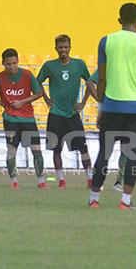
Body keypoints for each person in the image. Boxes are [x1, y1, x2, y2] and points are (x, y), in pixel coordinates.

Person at [89, 3, 136, 210]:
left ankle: (94, 199)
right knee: (133, 155)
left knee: (104, 154)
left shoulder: (106, 41)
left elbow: (101, 79)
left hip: (111, 106)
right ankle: (125, 202)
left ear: (119, 20)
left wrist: (101, 108)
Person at [0, 48, 46, 189]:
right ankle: (14, 182)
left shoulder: (27, 75)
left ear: (18, 61)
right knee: (11, 150)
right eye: (8, 64)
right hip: (10, 119)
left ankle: (41, 181)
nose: (11, 66)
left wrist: (23, 101)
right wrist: (0, 102)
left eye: (14, 63)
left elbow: (39, 93)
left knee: (36, 150)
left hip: (28, 119)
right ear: (3, 63)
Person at [37, 34, 94, 189]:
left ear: (70, 47)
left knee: (83, 148)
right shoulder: (49, 66)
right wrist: (46, 99)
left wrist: (83, 103)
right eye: (60, 47)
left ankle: (90, 178)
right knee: (56, 149)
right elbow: (37, 82)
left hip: (72, 114)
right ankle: (61, 180)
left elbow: (90, 82)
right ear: (56, 48)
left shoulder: (79, 64)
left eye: (66, 47)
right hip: (55, 114)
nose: (63, 50)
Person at [88, 68, 126, 192]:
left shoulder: (107, 65)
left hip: (109, 113)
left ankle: (99, 183)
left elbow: (90, 82)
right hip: (127, 113)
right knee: (124, 150)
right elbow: (89, 82)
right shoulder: (128, 66)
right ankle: (118, 183)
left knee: (105, 152)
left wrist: (101, 102)